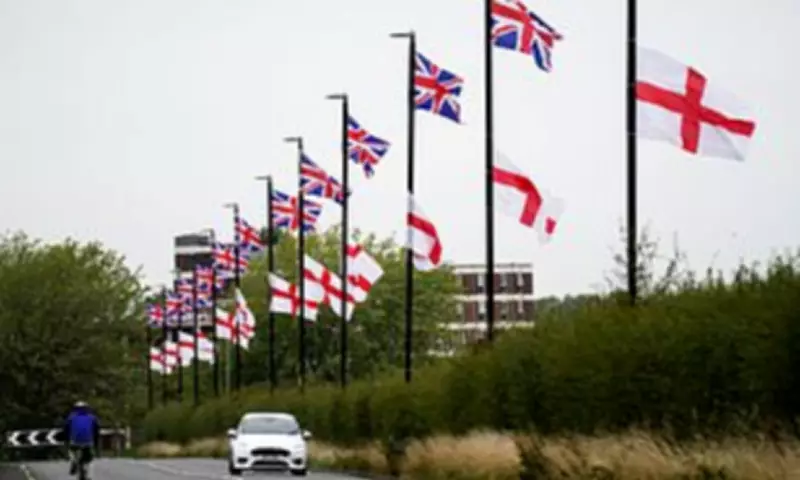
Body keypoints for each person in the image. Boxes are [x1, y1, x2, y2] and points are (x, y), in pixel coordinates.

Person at [63, 401, 100, 475]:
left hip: (75, 440)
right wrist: (95, 442)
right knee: (89, 457)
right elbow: (96, 430)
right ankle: (88, 473)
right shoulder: (92, 418)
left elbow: (66, 429)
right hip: (88, 441)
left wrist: (66, 440)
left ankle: (73, 460)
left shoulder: (71, 417)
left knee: (71, 450)